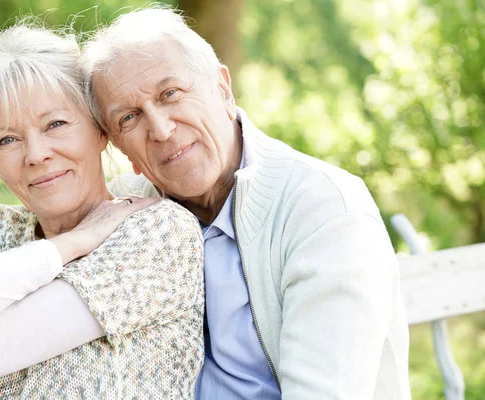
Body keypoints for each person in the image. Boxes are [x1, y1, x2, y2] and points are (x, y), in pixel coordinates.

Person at [79, 6, 412, 400]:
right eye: (130, 117)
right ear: (120, 148)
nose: (162, 130)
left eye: (170, 93)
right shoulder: (125, 216)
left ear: (222, 89)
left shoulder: (324, 209)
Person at [0, 20, 204, 399]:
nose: (36, 155)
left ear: (101, 130)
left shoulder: (157, 231)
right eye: (8, 140)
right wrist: (70, 243)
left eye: (55, 124)